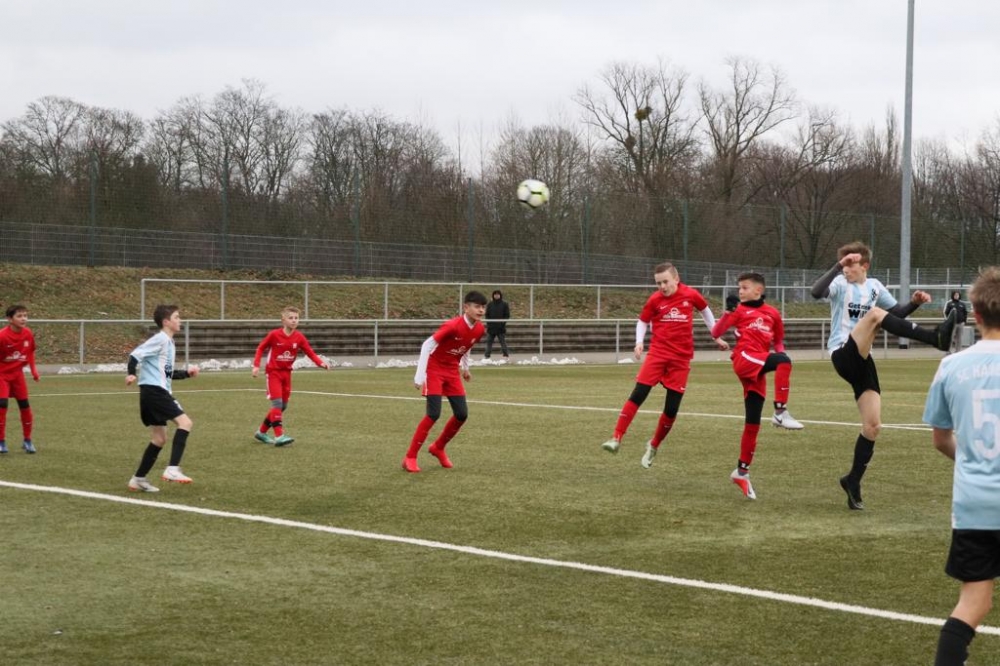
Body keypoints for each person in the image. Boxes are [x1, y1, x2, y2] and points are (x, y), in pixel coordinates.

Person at [810, 241, 956, 510]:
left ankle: (852, 481)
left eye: (851, 264)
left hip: (864, 359)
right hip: (842, 353)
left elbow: (895, 315)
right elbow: (816, 292)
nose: (846, 268)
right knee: (876, 314)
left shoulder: (875, 286)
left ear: (864, 265)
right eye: (844, 263)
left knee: (873, 426)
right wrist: (838, 266)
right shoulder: (840, 283)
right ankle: (934, 337)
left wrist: (913, 303)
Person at [923, 266, 1000, 666]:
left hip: (974, 505)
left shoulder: (951, 366)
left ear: (975, 313)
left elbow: (940, 439)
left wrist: (972, 460)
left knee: (973, 602)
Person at [601, 262, 729, 468]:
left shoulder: (691, 295)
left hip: (680, 359)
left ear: (676, 279)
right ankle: (616, 438)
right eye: (658, 283)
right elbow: (643, 321)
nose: (662, 286)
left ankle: (654, 445)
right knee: (638, 394)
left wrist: (716, 336)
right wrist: (639, 342)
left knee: (671, 409)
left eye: (665, 282)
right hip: (658, 354)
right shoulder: (655, 300)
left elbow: (705, 311)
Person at [711, 273, 803, 500]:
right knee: (783, 361)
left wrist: (781, 357)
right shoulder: (739, 311)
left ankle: (741, 472)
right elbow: (716, 332)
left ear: (758, 291)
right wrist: (728, 312)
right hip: (744, 358)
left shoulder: (772, 313)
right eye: (739, 288)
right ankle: (780, 412)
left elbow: (778, 341)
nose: (740, 291)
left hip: (758, 365)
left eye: (744, 287)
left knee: (752, 423)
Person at [402, 291, 487, 473]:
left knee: (462, 414)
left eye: (483, 307)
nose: (481, 310)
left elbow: (466, 346)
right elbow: (427, 345)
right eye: (477, 306)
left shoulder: (480, 329)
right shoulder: (452, 326)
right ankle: (410, 456)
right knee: (433, 414)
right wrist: (419, 375)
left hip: (452, 371)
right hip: (434, 369)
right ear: (466, 307)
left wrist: (465, 368)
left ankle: (438, 447)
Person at [125, 304, 200, 492]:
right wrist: (131, 373)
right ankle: (173, 469)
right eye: (176, 317)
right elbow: (135, 355)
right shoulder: (160, 339)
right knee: (185, 423)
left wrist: (186, 374)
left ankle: (138, 479)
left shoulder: (169, 343)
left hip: (151, 392)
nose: (180, 320)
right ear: (166, 322)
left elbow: (166, 373)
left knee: (159, 438)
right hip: (155, 391)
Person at [251, 306, 330, 446]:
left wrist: (321, 363)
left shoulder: (299, 337)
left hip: (287, 374)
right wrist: (256, 365)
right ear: (283, 320)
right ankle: (279, 436)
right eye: (291, 318)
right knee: (277, 403)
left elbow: (310, 352)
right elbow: (261, 347)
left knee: (283, 406)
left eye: (296, 318)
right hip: (273, 373)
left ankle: (261, 432)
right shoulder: (274, 335)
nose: (294, 320)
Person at [0, 305, 39, 454]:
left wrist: (34, 371)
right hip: (2, 375)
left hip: (17, 375)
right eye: (19, 316)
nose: (23, 319)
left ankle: (27, 440)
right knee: (2, 405)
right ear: (10, 319)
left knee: (25, 405)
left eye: (25, 315)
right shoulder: (2, 336)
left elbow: (30, 353)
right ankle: (1, 441)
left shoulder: (28, 333)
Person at [483, 290, 511, 359]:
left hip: (500, 327)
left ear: (500, 295)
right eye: (495, 294)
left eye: (498, 294)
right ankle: (487, 356)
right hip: (491, 327)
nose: (496, 296)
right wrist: (489, 323)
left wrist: (502, 324)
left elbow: (507, 315)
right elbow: (487, 315)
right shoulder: (490, 304)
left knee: (502, 342)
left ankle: (506, 355)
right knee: (489, 343)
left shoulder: (504, 304)